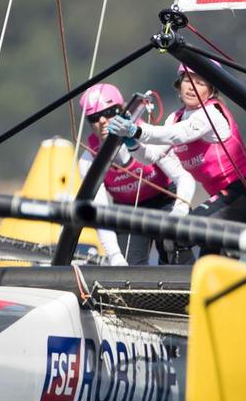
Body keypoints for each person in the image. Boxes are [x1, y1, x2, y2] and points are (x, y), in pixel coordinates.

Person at [107, 63, 246, 236]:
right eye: (188, 80)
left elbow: (177, 135)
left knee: (184, 234)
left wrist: (136, 130)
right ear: (180, 83)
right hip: (223, 198)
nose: (192, 88)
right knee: (208, 260)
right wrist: (132, 143)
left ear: (211, 90)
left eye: (200, 84)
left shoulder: (211, 113)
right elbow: (151, 156)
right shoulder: (175, 118)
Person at [78, 83, 195, 265]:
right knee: (127, 265)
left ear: (123, 109)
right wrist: (115, 256)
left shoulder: (147, 135)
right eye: (94, 117)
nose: (102, 121)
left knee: (172, 243)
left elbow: (184, 178)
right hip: (129, 209)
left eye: (110, 112)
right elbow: (100, 212)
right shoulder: (88, 160)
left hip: (164, 200)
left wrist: (179, 212)